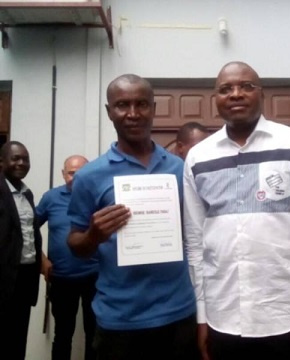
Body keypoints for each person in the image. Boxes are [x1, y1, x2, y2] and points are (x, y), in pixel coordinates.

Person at [183, 62, 290, 360]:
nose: (236, 94)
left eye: (246, 86)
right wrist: (202, 315)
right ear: (215, 99)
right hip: (223, 316)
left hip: (289, 313)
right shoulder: (198, 158)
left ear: (261, 93)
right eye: (226, 89)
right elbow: (195, 243)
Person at [67, 74, 197, 360]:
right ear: (109, 112)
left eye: (142, 104)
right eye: (122, 105)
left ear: (154, 107)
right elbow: (75, 244)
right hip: (120, 319)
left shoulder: (180, 169)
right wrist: (93, 235)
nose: (133, 113)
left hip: (179, 313)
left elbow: (198, 235)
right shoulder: (90, 176)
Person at [36, 154, 98, 360]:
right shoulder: (51, 198)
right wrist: (41, 260)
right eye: (71, 173)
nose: (76, 177)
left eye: (81, 173)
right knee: (63, 335)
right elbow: (27, 230)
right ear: (63, 175)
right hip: (61, 279)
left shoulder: (98, 197)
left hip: (95, 278)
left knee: (95, 335)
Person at [0, 141, 43, 359]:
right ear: (1, 162)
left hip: (25, 278)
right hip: (3, 278)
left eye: (25, 159)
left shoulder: (27, 194)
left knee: (18, 338)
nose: (21, 163)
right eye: (15, 158)